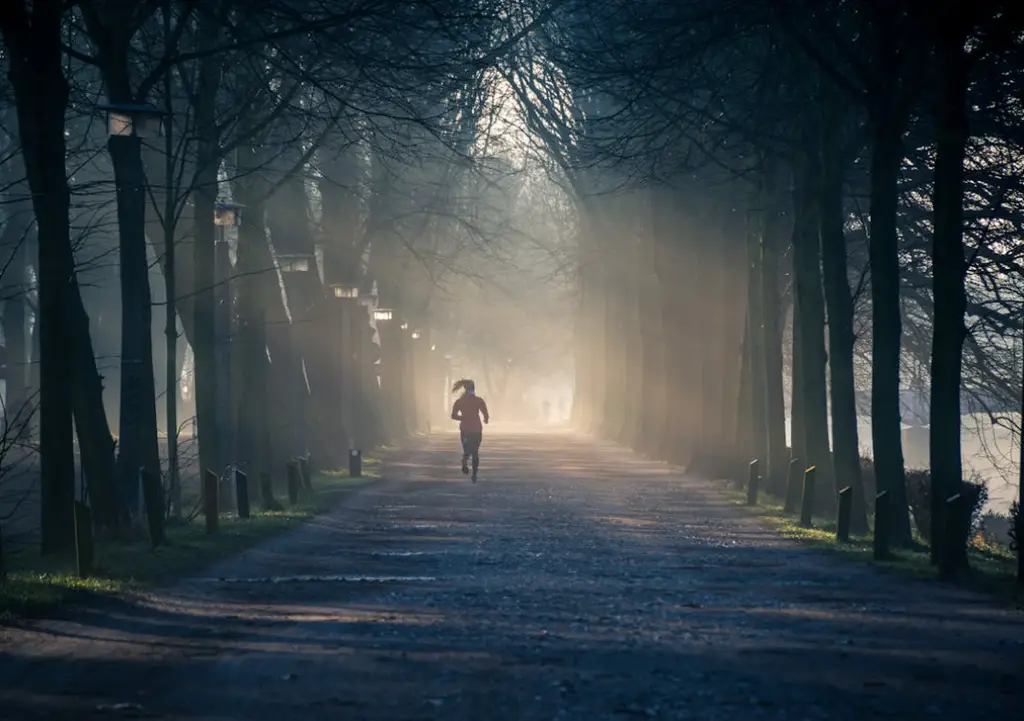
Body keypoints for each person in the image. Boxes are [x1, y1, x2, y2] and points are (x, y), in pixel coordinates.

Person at [451, 379, 489, 482]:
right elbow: (485, 413)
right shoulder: (478, 400)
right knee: (475, 452)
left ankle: (464, 460)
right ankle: (474, 475)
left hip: (465, 430)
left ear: (464, 388)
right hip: (476, 429)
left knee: (467, 450)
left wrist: (462, 418)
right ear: (473, 388)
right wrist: (486, 419)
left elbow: (453, 416)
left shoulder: (459, 402)